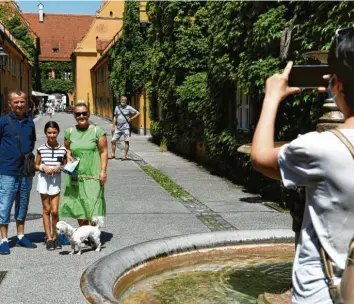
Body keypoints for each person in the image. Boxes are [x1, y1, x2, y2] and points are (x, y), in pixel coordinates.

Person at [251, 28, 354, 303]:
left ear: (338, 84)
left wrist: (272, 97)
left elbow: (260, 156)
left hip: (323, 292)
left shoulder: (318, 148)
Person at [0, 89, 37, 255]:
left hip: (25, 171)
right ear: (10, 104)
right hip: (7, 170)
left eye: (22, 101)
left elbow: (31, 142)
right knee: (5, 205)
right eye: (16, 102)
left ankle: (21, 236)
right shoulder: (3, 122)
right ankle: (4, 240)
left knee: (23, 203)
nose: (20, 105)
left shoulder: (30, 122)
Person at [59, 103, 107, 227]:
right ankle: (84, 232)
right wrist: (68, 155)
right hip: (76, 174)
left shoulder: (97, 131)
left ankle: (92, 232)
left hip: (93, 174)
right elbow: (67, 148)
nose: (81, 116)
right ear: (74, 115)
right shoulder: (69, 132)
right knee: (79, 204)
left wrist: (103, 171)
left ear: (88, 114)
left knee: (92, 202)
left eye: (84, 113)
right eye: (78, 114)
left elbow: (103, 152)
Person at [35, 121, 67, 251]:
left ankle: (56, 237)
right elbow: (35, 165)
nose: (51, 135)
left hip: (56, 180)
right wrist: (43, 167)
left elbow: (67, 165)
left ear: (58, 133)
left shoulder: (63, 149)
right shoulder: (41, 148)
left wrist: (60, 167)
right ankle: (49, 239)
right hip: (44, 179)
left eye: (54, 133)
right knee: (46, 209)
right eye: (49, 133)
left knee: (55, 211)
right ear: (45, 133)